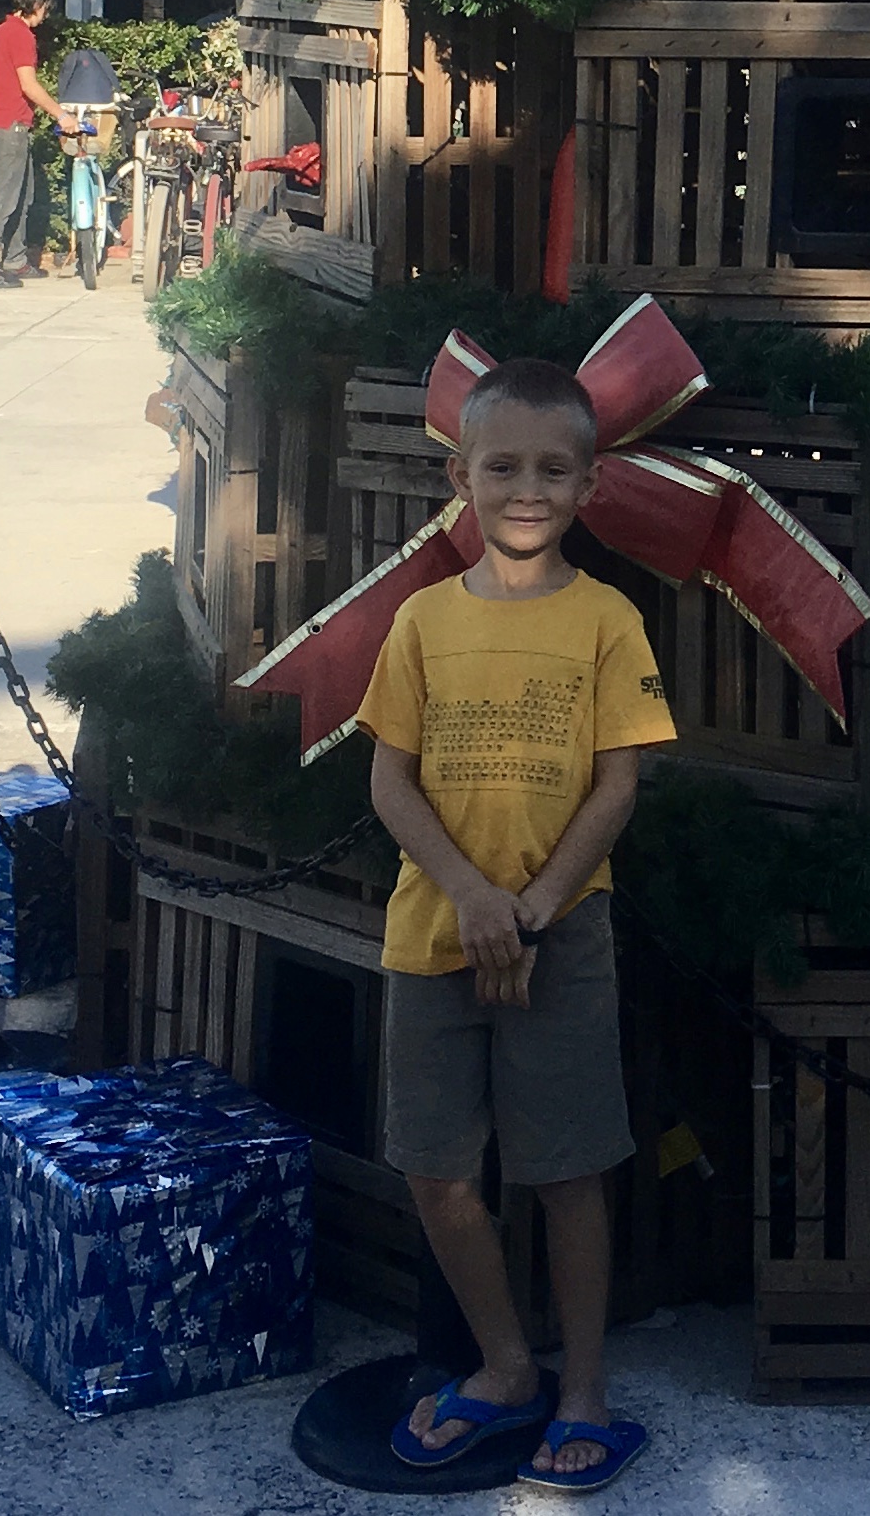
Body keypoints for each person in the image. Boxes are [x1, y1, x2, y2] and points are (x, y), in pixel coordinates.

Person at [358, 354, 675, 1487]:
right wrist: (473, 897)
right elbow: (391, 783)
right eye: (503, 466)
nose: (527, 488)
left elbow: (617, 785)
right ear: (462, 477)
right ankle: (502, 1367)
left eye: (554, 468)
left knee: (567, 1169)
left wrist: (532, 909)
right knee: (437, 1170)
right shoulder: (420, 621)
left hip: (562, 938)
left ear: (588, 485)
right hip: (432, 933)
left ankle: (583, 1387)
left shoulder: (607, 623)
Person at [0, 0, 59, 287]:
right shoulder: (21, 36)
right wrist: (62, 115)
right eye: (46, 7)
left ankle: (16, 259)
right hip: (10, 126)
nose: (46, 14)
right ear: (36, 4)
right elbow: (28, 85)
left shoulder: (1, 32)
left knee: (23, 194)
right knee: (5, 197)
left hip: (3, 123)